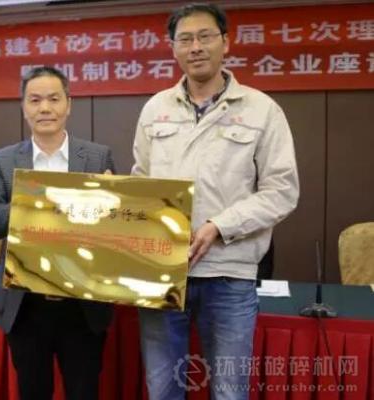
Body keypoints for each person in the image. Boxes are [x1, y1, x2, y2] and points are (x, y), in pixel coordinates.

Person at [131, 3, 299, 399]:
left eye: (205, 36)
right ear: (173, 48)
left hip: (229, 275)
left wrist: (220, 226)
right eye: (185, 39)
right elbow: (142, 182)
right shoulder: (155, 108)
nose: (196, 47)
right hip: (163, 272)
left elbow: (282, 190)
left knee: (229, 391)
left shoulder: (261, 110)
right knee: (163, 389)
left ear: (226, 42)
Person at [0, 66, 115, 400]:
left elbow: (115, 230)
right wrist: (32, 198)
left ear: (68, 105)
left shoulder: (97, 157)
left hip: (82, 306)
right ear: (24, 107)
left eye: (54, 99)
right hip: (26, 306)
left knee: (83, 392)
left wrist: (112, 202)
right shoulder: (5, 160)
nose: (45, 108)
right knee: (32, 392)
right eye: (35, 100)